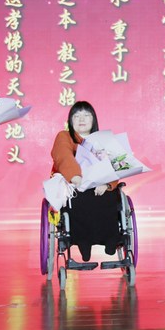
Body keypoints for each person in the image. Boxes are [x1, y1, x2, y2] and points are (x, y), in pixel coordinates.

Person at [50, 101, 122, 262]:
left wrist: (107, 184)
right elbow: (63, 156)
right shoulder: (64, 136)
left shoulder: (102, 139)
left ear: (93, 119)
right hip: (74, 184)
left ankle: (111, 239)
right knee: (79, 199)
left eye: (86, 115)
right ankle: (84, 243)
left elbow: (114, 164)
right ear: (70, 120)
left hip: (100, 185)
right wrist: (75, 176)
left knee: (110, 197)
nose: (81, 119)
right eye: (77, 116)